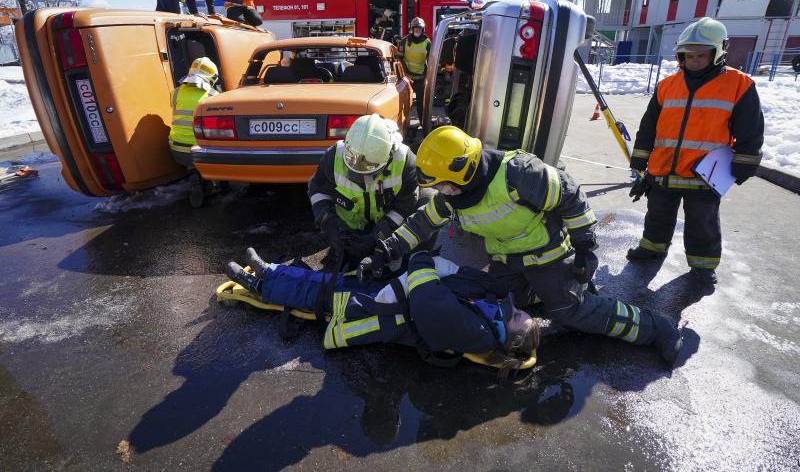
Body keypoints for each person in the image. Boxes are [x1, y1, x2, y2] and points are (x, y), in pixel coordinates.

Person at [362, 126, 684, 365]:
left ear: (464, 171)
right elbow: (423, 221)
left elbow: (570, 196)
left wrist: (586, 247)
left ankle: (656, 328)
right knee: (486, 303)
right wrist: (386, 250)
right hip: (507, 262)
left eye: (443, 185)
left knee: (570, 313)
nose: (441, 192)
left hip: (548, 255)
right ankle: (545, 293)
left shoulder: (517, 174)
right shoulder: (456, 197)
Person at [225, 248, 539, 377]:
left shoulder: (473, 332)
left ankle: (259, 286)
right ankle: (272, 271)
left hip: (383, 312)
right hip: (396, 295)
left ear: (504, 333)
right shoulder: (490, 308)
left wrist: (422, 261)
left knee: (321, 295)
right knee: (331, 280)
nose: (510, 308)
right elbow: (475, 279)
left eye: (514, 315)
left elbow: (427, 291)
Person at [627, 17, 765, 286]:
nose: (694, 60)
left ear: (718, 52)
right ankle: (653, 248)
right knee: (657, 215)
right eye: (688, 55)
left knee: (702, 224)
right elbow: (649, 127)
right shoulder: (667, 85)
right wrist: (640, 160)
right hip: (663, 171)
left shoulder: (739, 85)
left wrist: (744, 165)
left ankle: (703, 266)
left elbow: (750, 131)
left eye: (701, 55)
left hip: (704, 176)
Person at [308, 114, 419, 269]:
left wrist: (377, 236)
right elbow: (318, 191)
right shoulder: (334, 156)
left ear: (387, 158)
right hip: (347, 229)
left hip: (385, 227)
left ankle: (415, 259)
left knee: (427, 197)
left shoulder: (405, 162)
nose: (360, 178)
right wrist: (329, 222)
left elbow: (404, 207)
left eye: (368, 171)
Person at [168, 56, 220, 207]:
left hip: (176, 150)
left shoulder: (176, 92)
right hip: (200, 152)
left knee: (188, 152)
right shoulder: (213, 96)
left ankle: (193, 176)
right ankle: (212, 183)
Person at [397, 17, 431, 119]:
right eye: (415, 28)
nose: (417, 30)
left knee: (421, 103)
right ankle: (405, 123)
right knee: (406, 102)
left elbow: (431, 60)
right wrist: (405, 73)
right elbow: (399, 58)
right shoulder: (404, 41)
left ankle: (422, 122)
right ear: (412, 29)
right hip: (407, 78)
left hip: (421, 77)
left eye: (419, 28)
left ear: (423, 29)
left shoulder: (427, 42)